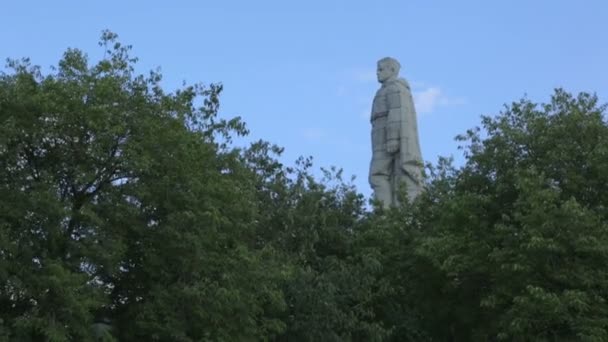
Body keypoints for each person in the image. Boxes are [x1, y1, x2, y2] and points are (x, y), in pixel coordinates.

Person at [369, 57, 423, 208]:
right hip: (380, 136)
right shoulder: (390, 89)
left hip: (386, 138)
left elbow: (397, 114)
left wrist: (392, 138)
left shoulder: (394, 89)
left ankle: (384, 215)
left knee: (378, 175)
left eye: (381, 69)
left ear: (392, 70)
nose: (377, 73)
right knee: (385, 175)